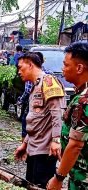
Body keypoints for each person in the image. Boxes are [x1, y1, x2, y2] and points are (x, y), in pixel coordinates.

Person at [14, 53, 66, 189]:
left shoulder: (48, 82)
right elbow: (35, 122)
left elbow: (57, 113)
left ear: (30, 64)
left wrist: (56, 140)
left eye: (20, 67)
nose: (19, 72)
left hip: (45, 151)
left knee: (41, 185)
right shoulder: (35, 86)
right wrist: (25, 144)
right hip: (33, 149)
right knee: (30, 185)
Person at [47, 42, 88, 190]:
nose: (62, 69)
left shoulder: (85, 100)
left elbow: (76, 145)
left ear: (79, 68)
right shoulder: (80, 94)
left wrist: (58, 178)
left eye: (65, 65)